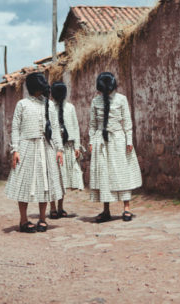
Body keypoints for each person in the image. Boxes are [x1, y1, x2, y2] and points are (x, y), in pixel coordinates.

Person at [4, 72, 64, 233]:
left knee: (45, 184)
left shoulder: (49, 105)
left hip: (46, 147)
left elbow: (56, 128)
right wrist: (15, 150)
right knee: (24, 183)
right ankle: (23, 220)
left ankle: (43, 218)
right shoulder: (22, 104)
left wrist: (59, 149)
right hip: (26, 147)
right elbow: (15, 128)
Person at [89, 72, 142, 223]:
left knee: (122, 173)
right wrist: (91, 142)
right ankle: (106, 210)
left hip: (118, 140)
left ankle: (126, 208)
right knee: (104, 175)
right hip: (101, 142)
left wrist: (129, 141)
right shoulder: (95, 101)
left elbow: (127, 121)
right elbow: (92, 124)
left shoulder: (121, 99)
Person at [49, 81, 83, 219]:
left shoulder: (70, 108)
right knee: (53, 177)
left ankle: (60, 207)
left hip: (68, 147)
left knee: (63, 179)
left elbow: (75, 127)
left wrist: (77, 146)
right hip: (54, 148)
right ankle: (52, 207)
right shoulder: (49, 108)